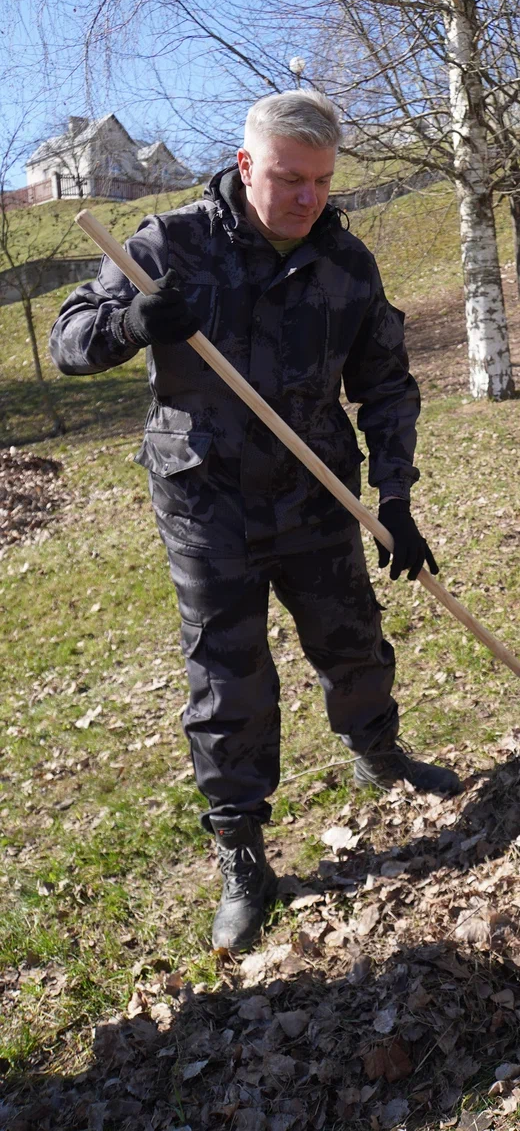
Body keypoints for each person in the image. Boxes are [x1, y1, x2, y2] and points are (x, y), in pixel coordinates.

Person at [49, 91, 461, 952]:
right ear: (246, 166)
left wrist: (394, 495)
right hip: (206, 501)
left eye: (321, 180)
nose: (307, 197)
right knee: (227, 678)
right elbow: (70, 341)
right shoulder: (169, 245)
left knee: (351, 637)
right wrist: (131, 322)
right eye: (288, 178)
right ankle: (242, 853)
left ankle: (378, 753)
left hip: (315, 491)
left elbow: (385, 385)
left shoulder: (344, 263)